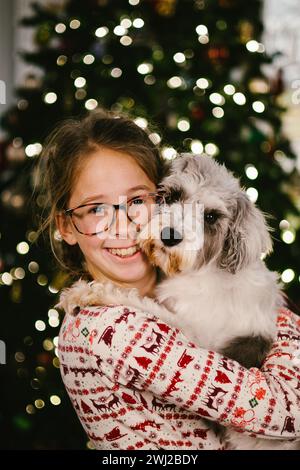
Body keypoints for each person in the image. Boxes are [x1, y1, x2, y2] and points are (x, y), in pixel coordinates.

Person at [36, 109, 300, 450]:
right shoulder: (109, 328)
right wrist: (288, 328)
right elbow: (286, 411)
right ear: (66, 226)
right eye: (96, 208)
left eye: (138, 200)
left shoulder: (174, 290)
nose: (124, 225)